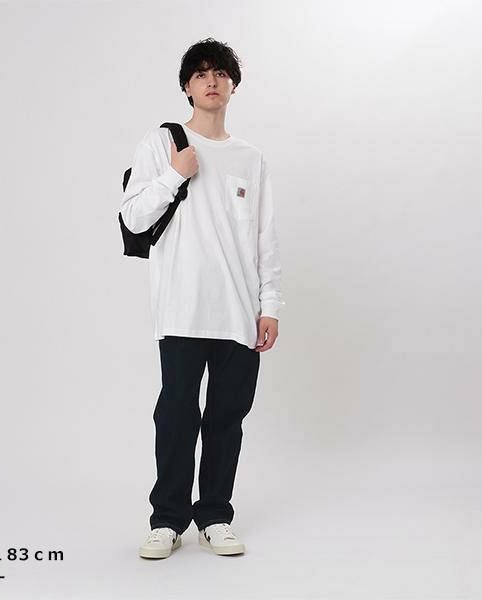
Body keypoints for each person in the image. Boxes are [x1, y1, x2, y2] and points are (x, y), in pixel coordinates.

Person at [119, 37, 285, 559]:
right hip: (182, 309)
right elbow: (133, 217)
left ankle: (215, 515)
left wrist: (270, 306)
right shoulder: (161, 144)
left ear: (233, 85)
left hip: (239, 313)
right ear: (187, 87)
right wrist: (176, 173)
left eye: (220, 74)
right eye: (200, 74)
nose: (212, 81)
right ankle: (167, 520)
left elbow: (264, 238)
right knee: (176, 417)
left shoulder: (251, 158)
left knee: (226, 419)